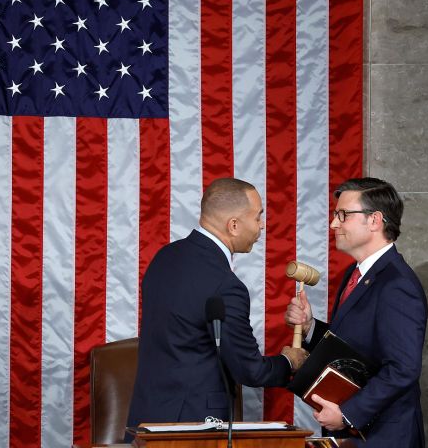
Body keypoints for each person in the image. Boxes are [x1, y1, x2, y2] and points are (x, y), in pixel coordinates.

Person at [127, 177, 308, 427]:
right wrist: (291, 361)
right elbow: (250, 370)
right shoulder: (226, 286)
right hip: (191, 430)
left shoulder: (164, 257)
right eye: (257, 217)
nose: (262, 226)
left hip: (146, 416)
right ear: (233, 225)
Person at [285, 177, 427, 448]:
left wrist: (348, 413)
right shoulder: (355, 273)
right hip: (358, 441)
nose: (334, 224)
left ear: (374, 220)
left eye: (343, 215)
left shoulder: (397, 284)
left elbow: (403, 368)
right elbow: (353, 347)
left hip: (383, 443)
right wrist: (311, 326)